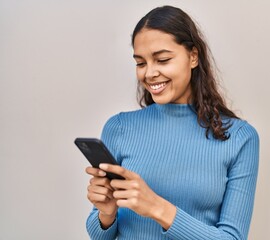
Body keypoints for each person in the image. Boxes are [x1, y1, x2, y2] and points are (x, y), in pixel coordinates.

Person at [85, 5, 259, 240]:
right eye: (140, 63)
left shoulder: (239, 137)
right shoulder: (119, 128)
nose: (149, 74)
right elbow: (99, 236)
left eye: (163, 59)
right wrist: (106, 214)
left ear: (193, 57)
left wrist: (157, 207)